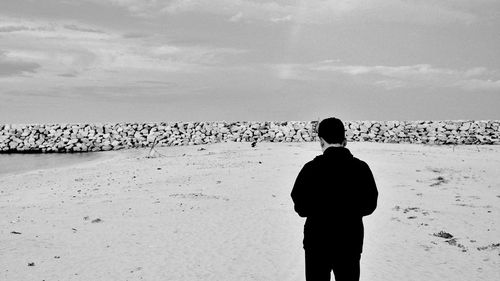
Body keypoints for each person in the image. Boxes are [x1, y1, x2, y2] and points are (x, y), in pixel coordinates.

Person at [291, 117, 378, 281]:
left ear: (321, 141)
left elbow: (300, 207)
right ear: (344, 140)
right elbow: (370, 205)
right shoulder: (361, 168)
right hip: (350, 241)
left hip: (316, 242)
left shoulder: (310, 169)